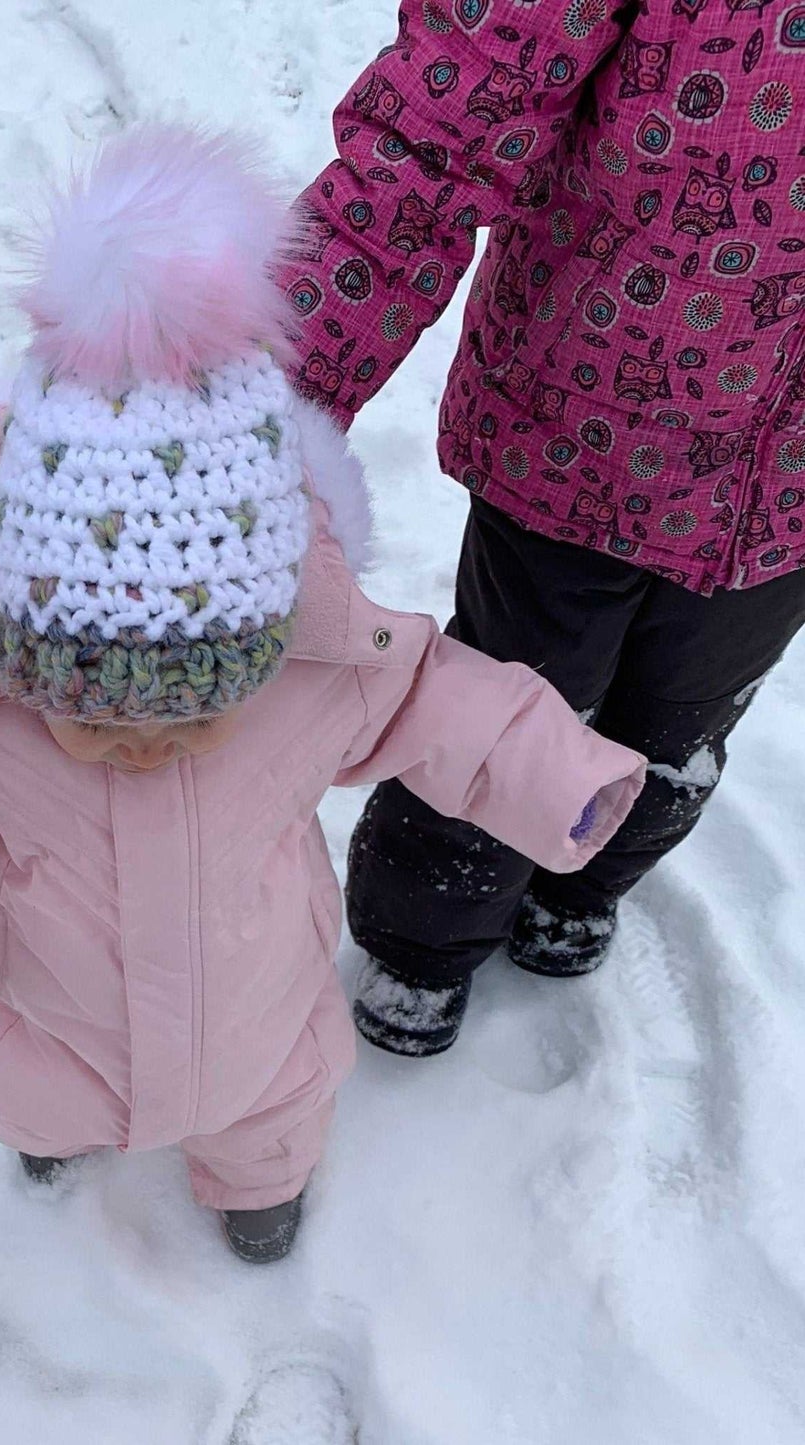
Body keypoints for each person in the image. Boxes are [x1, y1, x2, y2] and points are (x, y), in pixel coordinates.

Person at [0, 129, 646, 1261]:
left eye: (190, 712)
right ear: (18, 654)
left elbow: (434, 698)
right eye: (90, 715)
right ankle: (52, 1145)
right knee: (41, 1101)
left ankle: (257, 1198)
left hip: (257, 1025)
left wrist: (557, 774)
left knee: (269, 1123)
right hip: (52, 1024)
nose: (140, 745)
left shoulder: (302, 676)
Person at [274, 0, 805, 1055]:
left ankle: (588, 874)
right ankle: (421, 936)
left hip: (784, 502)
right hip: (578, 436)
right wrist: (260, 404)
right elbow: (436, 128)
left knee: (681, 721)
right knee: (508, 705)